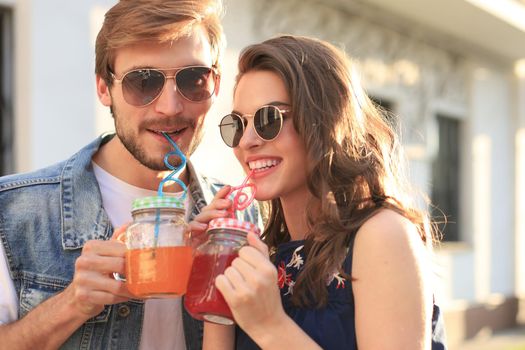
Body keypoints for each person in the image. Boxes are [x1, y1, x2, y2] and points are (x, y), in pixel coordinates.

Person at [0, 1, 259, 349]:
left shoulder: (244, 214)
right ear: (104, 88)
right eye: (143, 81)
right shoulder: (13, 211)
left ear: (215, 84)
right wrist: (72, 303)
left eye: (193, 79)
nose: (170, 107)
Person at [188, 35, 447, 349]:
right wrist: (214, 264)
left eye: (268, 119)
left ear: (323, 121)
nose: (247, 141)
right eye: (237, 124)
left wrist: (269, 325)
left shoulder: (382, 235)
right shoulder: (265, 253)